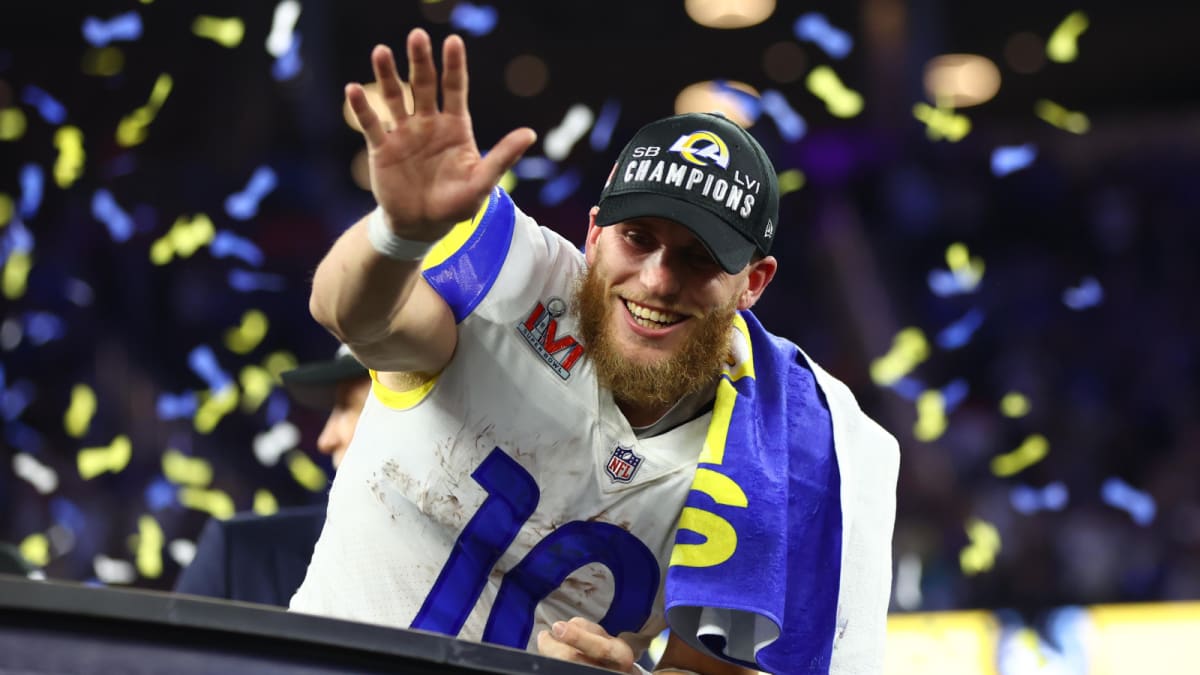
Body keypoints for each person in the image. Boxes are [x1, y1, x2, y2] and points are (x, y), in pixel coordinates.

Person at [290, 28, 899, 675]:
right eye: (638, 237)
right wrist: (396, 235)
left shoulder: (785, 440)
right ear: (593, 233)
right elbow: (354, 314)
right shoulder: (513, 276)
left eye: (699, 258)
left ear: (754, 281)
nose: (659, 279)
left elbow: (708, 668)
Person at [173, 345, 370, 606]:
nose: (326, 439)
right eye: (333, 409)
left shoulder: (442, 579)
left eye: (348, 407)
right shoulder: (236, 559)